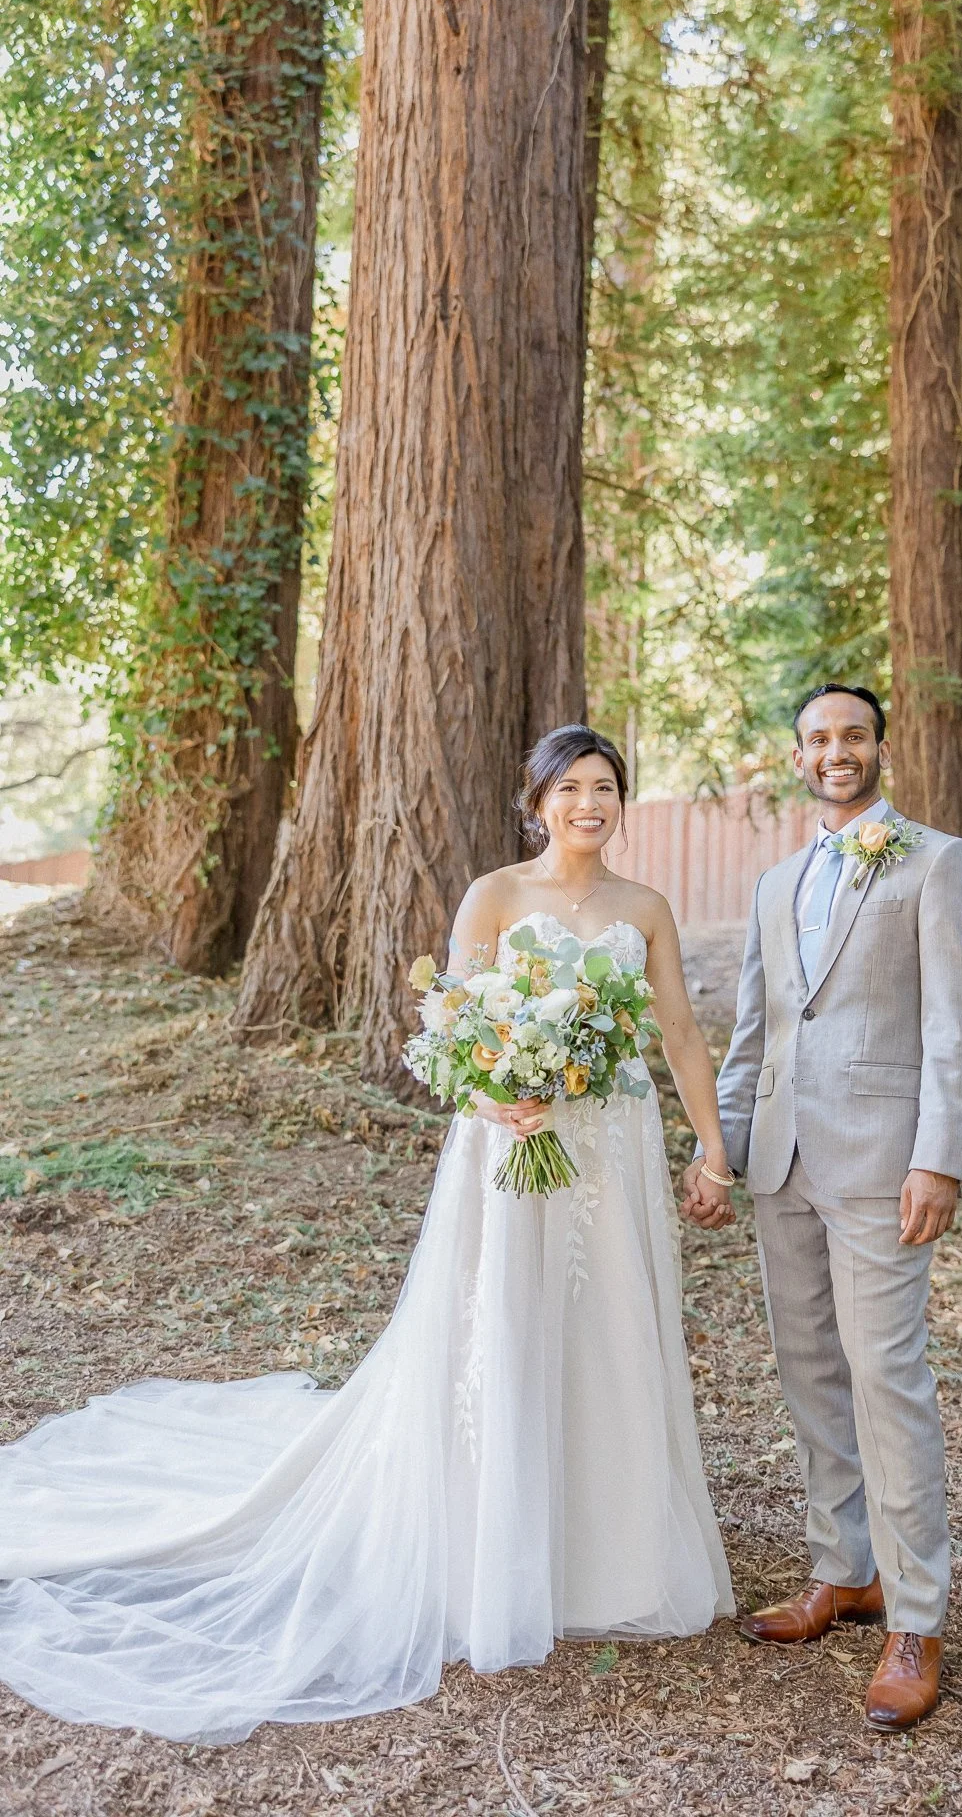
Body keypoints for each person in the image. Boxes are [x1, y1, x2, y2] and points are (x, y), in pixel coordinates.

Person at [0, 725, 736, 1745]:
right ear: (537, 802)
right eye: (569, 786)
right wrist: (491, 1100)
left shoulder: (642, 908)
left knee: (610, 1332)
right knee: (505, 1335)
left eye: (604, 787)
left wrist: (709, 1151)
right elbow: (451, 1025)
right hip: (510, 1148)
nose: (587, 803)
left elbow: (680, 1035)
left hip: (609, 1146)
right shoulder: (495, 895)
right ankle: (498, 1549)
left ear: (622, 802)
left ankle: (608, 1553)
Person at [683, 684, 962, 1730]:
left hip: (879, 1164)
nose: (834, 752)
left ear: (879, 746)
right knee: (809, 1369)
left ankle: (914, 1616)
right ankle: (841, 1569)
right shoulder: (777, 881)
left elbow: (954, 1025)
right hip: (781, 1164)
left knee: (885, 1376)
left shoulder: (934, 863)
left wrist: (936, 1159)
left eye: (852, 735)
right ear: (798, 756)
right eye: (816, 739)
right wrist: (716, 1153)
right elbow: (753, 1033)